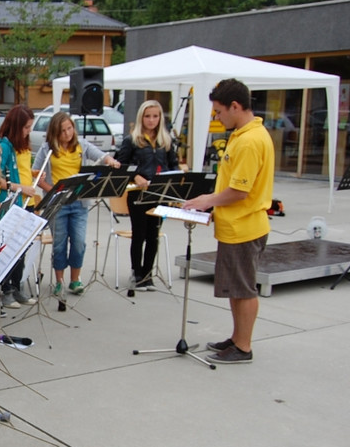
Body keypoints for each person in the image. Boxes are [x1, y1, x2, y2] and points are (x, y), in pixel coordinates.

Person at [183, 78, 274, 365]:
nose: (217, 117)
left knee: (244, 289)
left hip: (244, 228)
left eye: (219, 112)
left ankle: (243, 347)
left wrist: (207, 200)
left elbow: (239, 191)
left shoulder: (249, 141)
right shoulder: (243, 134)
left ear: (235, 106)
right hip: (236, 224)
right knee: (236, 287)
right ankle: (237, 338)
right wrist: (214, 208)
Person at [33, 111, 119, 298]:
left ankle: (75, 280)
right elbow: (36, 174)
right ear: (55, 132)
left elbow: (101, 155)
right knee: (59, 244)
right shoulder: (47, 149)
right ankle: (59, 282)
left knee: (79, 242)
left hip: (79, 202)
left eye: (69, 129)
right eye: (62, 131)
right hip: (58, 203)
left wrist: (110, 160)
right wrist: (52, 190)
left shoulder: (82, 145)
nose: (67, 134)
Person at [115, 100, 180, 292]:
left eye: (155, 116)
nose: (151, 120)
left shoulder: (166, 141)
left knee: (153, 235)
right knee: (139, 234)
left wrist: (172, 179)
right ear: (141, 117)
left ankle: (148, 274)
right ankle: (137, 273)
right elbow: (121, 165)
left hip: (158, 193)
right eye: (148, 116)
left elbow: (173, 165)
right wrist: (135, 176)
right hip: (138, 194)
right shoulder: (132, 140)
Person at [0, 105, 40, 307]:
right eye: (26, 127)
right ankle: (5, 289)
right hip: (8, 204)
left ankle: (16, 286)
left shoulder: (15, 146)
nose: (28, 132)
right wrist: (21, 188)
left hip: (20, 204)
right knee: (8, 249)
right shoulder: (3, 146)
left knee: (20, 248)